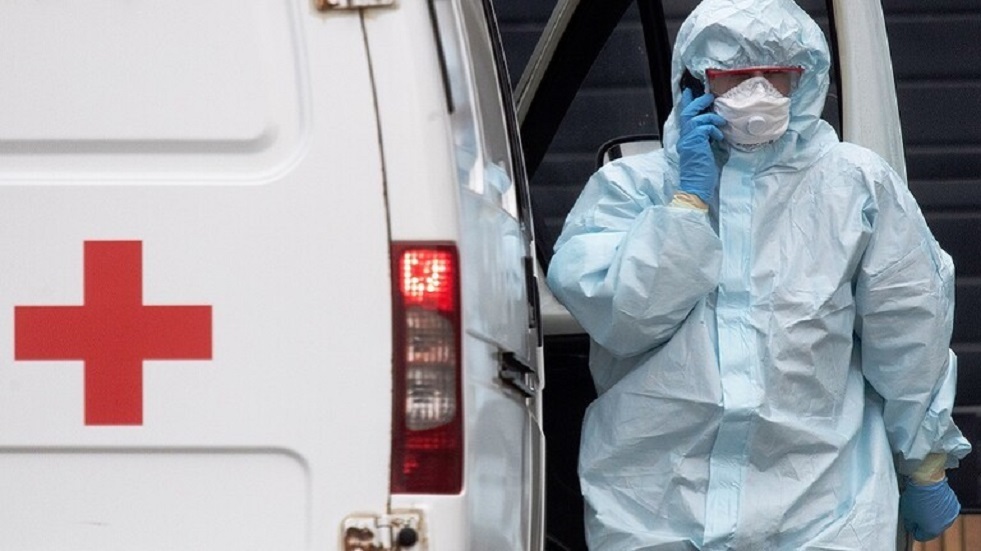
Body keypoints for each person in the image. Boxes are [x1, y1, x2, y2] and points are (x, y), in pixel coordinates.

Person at [545, 0, 972, 549]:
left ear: (805, 78)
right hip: (657, 505)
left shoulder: (855, 185)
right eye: (734, 75)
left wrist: (925, 460)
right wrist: (686, 207)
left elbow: (908, 327)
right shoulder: (631, 189)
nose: (758, 90)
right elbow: (623, 318)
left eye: (776, 73)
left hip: (824, 507)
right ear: (695, 83)